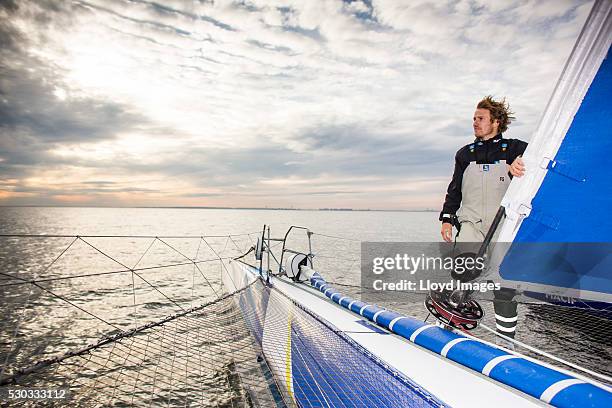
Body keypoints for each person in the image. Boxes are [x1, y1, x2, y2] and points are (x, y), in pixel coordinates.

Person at [439, 96, 527, 341]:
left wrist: (522, 165)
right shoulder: (464, 154)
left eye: (480, 118)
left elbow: (539, 165)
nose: (475, 123)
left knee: (503, 285)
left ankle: (506, 342)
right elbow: (454, 189)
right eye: (474, 119)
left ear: (496, 122)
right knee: (462, 276)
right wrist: (447, 218)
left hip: (503, 227)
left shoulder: (516, 149)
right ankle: (451, 330)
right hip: (471, 225)